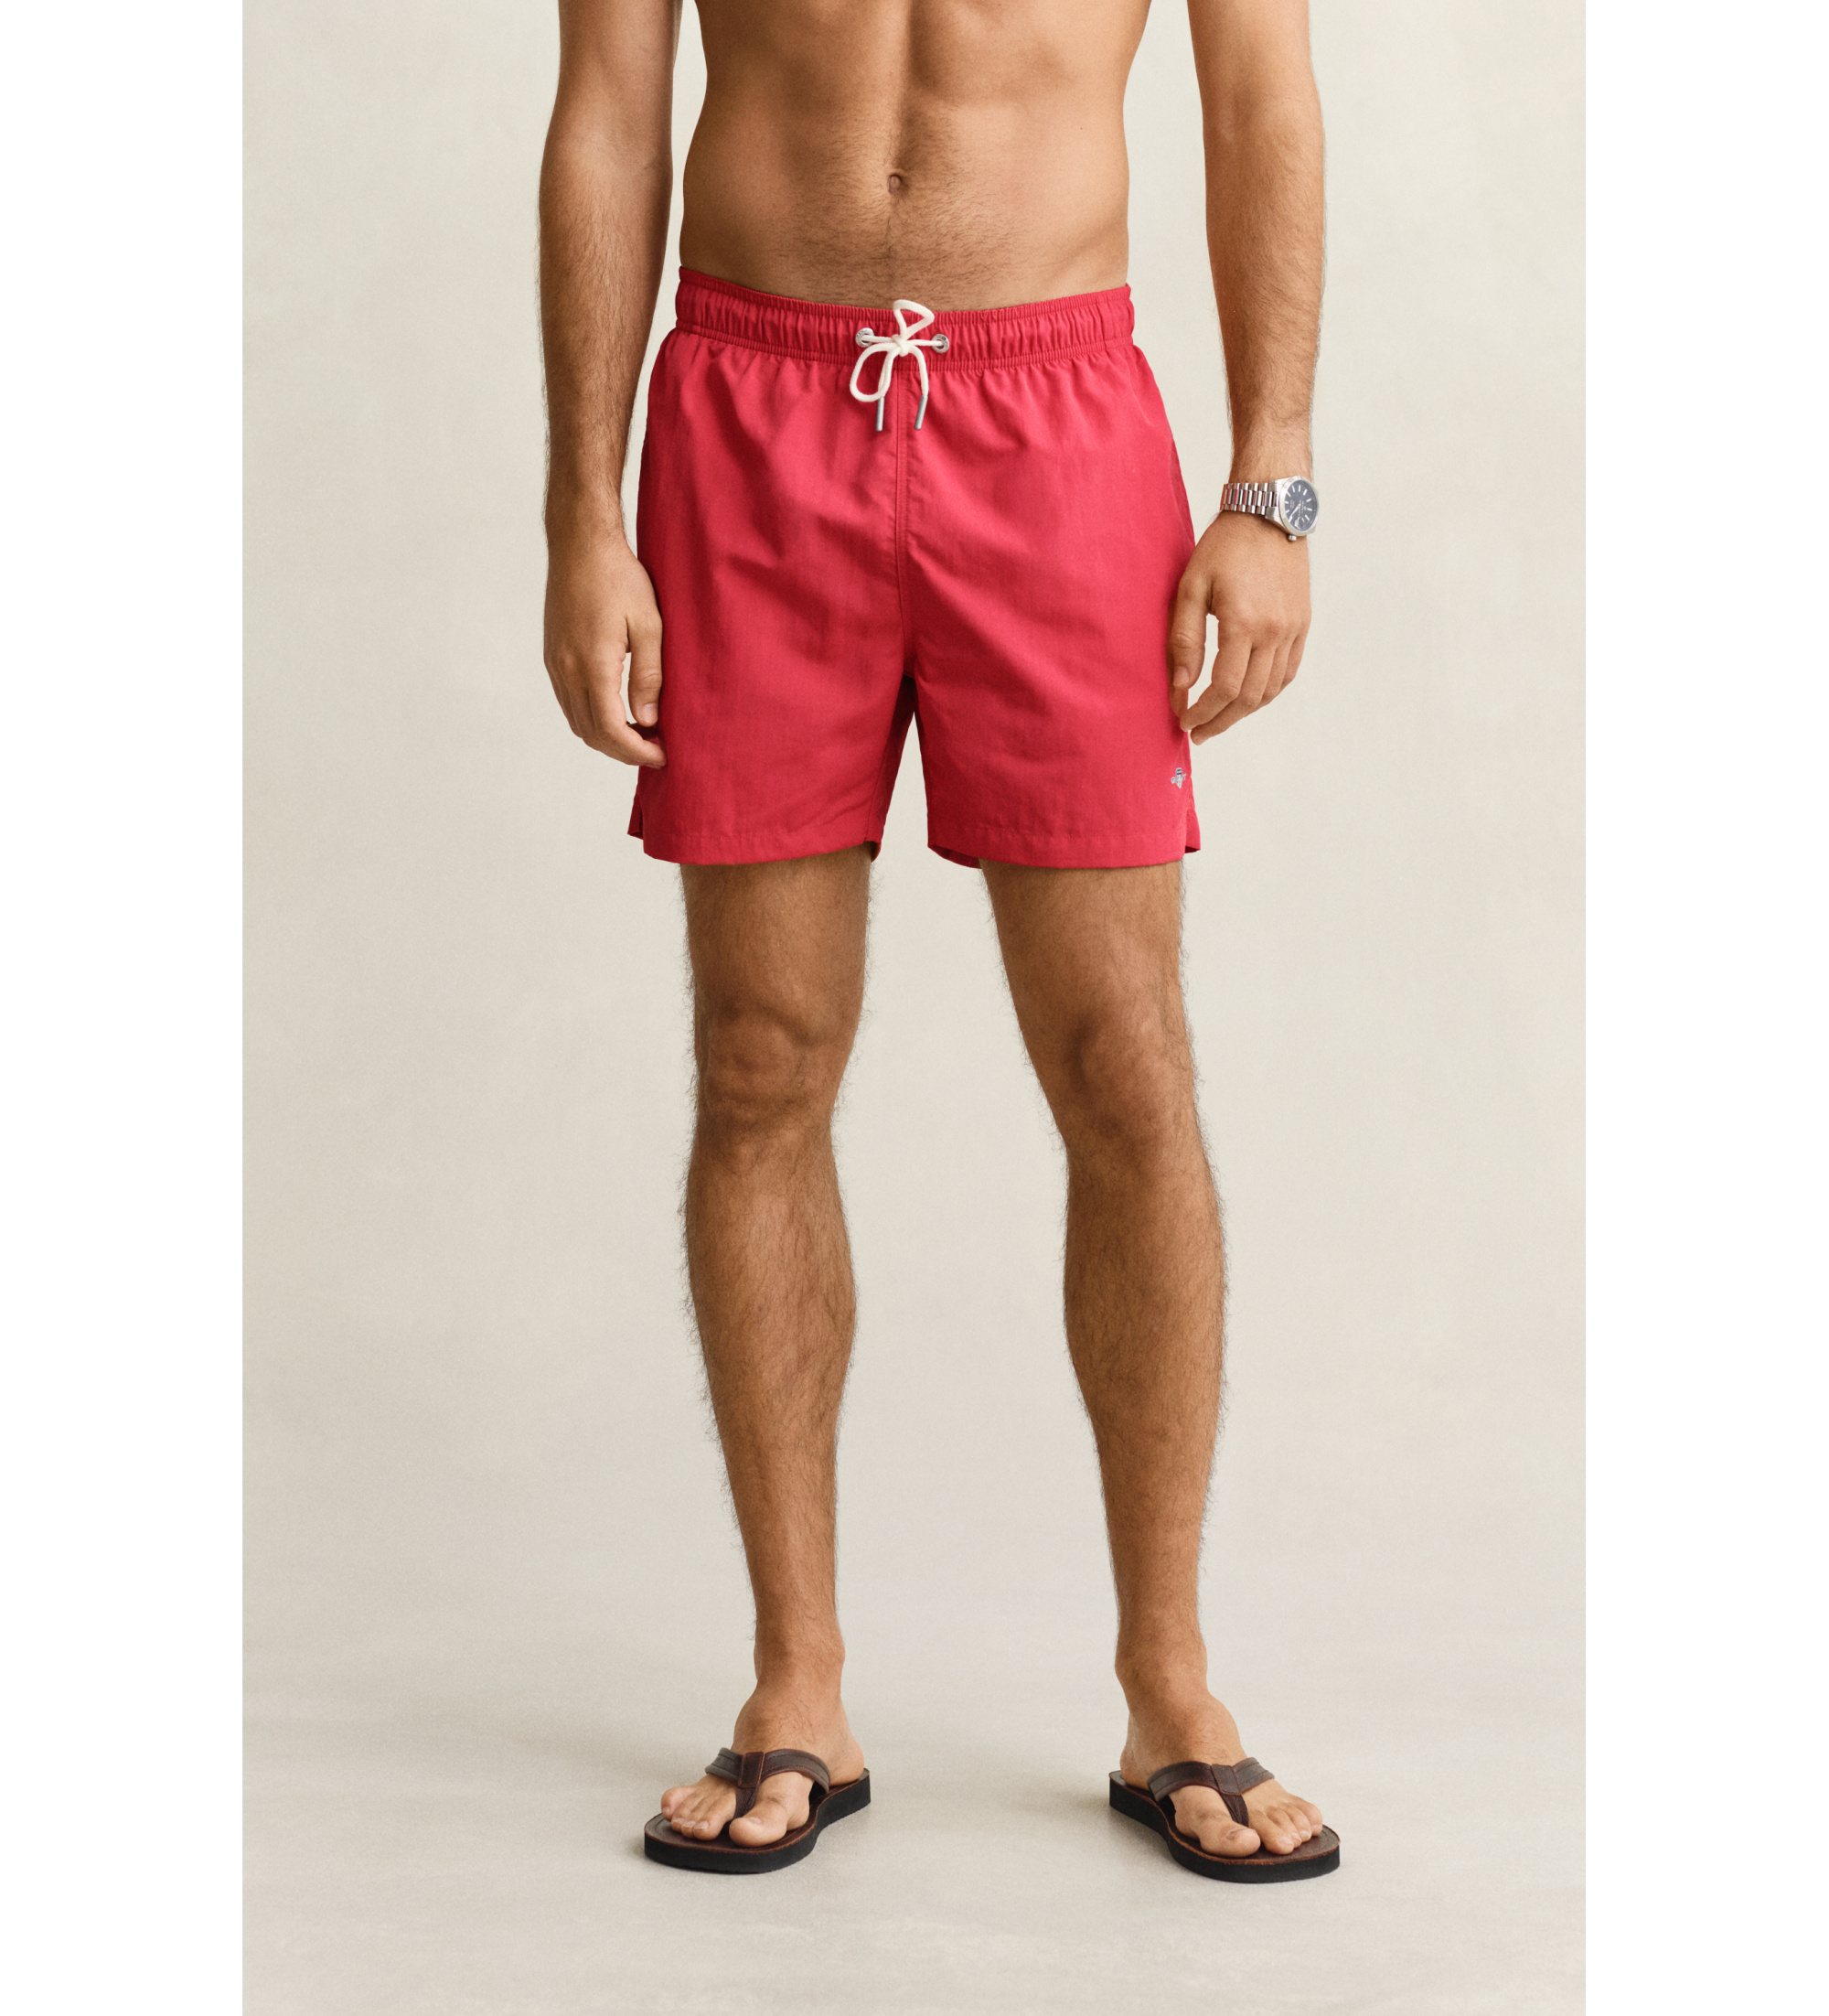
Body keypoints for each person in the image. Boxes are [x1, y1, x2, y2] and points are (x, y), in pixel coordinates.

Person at [538, 0, 1337, 1881]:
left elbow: (1259, 95)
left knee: (1122, 1062)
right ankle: (796, 1681)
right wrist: (584, 512)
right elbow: (607, 113)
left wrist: (1272, 482)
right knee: (760, 1055)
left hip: (1055, 417)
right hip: (748, 412)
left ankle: (1170, 1686)